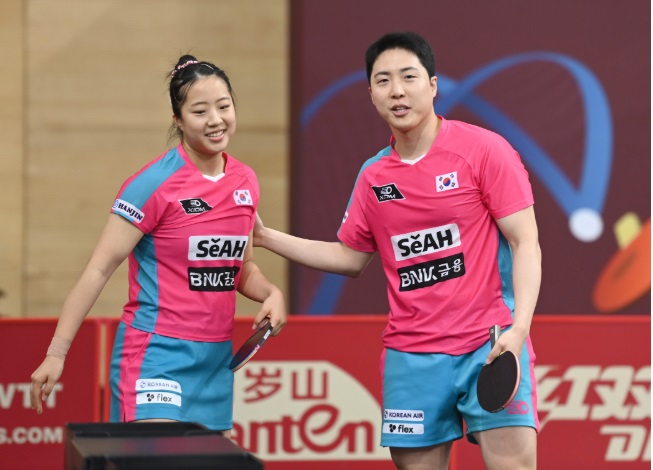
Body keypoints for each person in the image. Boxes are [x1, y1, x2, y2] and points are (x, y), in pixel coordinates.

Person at [254, 32, 541, 469]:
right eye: (383, 81)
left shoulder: (484, 151)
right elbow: (349, 257)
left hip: (490, 345)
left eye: (409, 77)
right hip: (412, 357)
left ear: (433, 85)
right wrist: (265, 237)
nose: (397, 91)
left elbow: (526, 242)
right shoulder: (373, 176)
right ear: (371, 94)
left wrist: (518, 330)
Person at [30, 55, 287, 435]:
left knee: (208, 461)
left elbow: (238, 266)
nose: (215, 119)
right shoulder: (152, 184)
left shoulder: (245, 181)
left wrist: (271, 292)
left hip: (214, 361)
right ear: (177, 120)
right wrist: (56, 353)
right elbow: (98, 269)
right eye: (199, 111)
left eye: (224, 106)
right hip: (156, 354)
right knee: (159, 456)